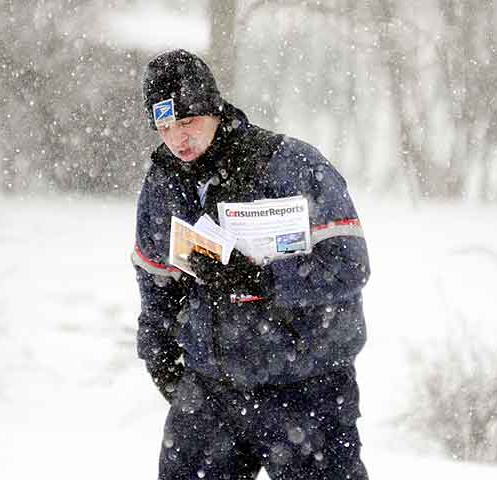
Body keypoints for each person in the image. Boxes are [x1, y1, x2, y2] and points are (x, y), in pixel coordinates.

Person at [131, 49, 370, 480]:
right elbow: (155, 279)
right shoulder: (163, 183)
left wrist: (263, 278)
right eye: (164, 127)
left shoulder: (292, 165)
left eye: (187, 123)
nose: (178, 139)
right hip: (211, 393)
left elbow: (349, 266)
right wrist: (161, 358)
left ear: (214, 110)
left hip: (306, 389)